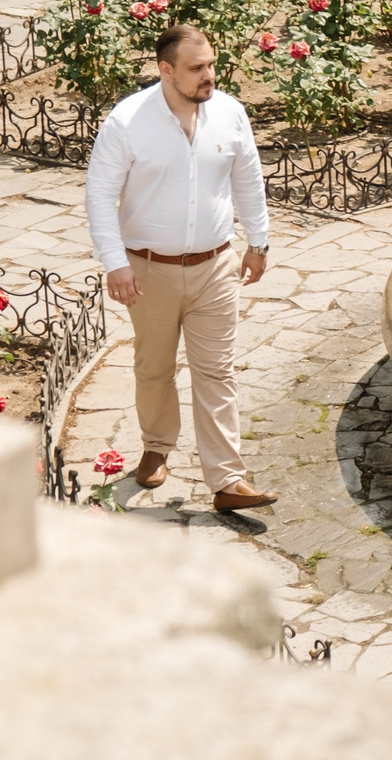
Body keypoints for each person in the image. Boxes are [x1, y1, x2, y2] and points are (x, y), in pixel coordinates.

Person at [84, 25, 279, 514]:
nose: (208, 76)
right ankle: (156, 445)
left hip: (217, 265)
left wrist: (258, 242)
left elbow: (248, 179)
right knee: (154, 367)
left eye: (211, 64)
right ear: (165, 70)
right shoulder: (127, 121)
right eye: (196, 68)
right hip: (149, 271)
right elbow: (100, 197)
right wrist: (115, 263)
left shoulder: (230, 113)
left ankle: (228, 481)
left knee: (217, 372)